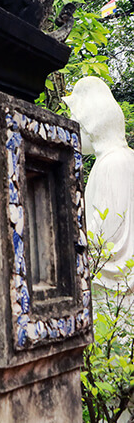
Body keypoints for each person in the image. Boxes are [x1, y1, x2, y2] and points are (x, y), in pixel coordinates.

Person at [64, 76, 134, 298]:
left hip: (116, 290)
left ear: (90, 123)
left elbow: (108, 233)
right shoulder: (125, 156)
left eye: (75, 120)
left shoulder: (111, 164)